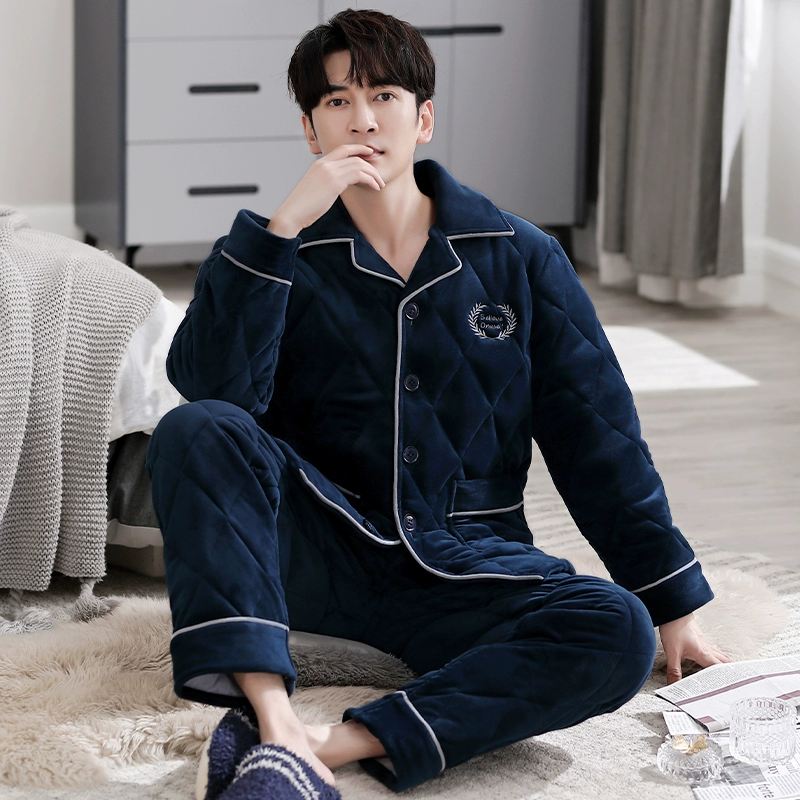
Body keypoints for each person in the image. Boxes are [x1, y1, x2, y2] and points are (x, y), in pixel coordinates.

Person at [146, 9, 729, 799]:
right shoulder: (277, 254)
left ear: (422, 118)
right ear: (311, 130)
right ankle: (272, 720)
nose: (363, 119)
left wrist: (671, 600)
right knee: (196, 426)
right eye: (337, 101)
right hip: (320, 553)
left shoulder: (520, 255)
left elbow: (597, 434)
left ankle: (327, 747)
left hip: (463, 565)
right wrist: (281, 227)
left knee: (615, 629)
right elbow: (216, 397)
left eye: (383, 96)